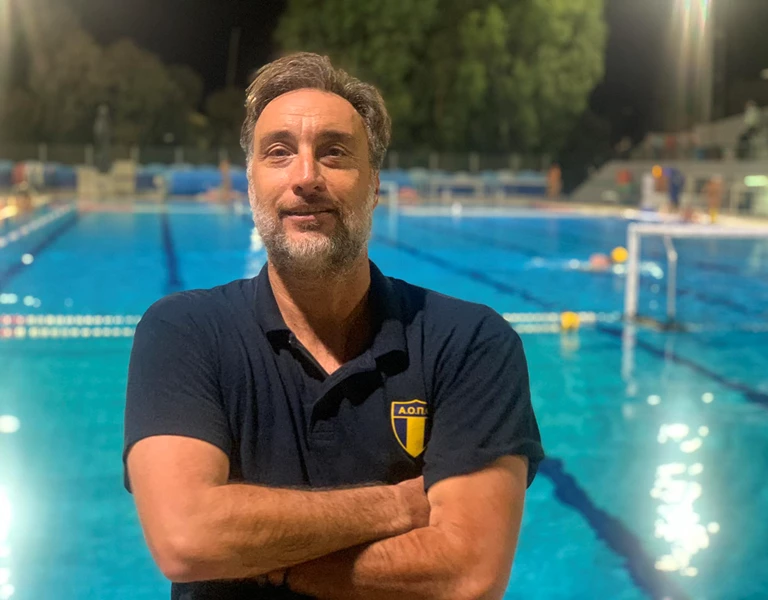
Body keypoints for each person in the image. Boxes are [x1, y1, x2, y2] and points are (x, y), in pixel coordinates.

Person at [124, 52, 543, 600]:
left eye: (335, 153)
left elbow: (468, 574)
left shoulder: (469, 341)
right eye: (279, 153)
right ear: (251, 184)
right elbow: (186, 538)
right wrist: (397, 505)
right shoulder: (184, 331)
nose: (306, 177)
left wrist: (265, 563)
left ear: (374, 185)